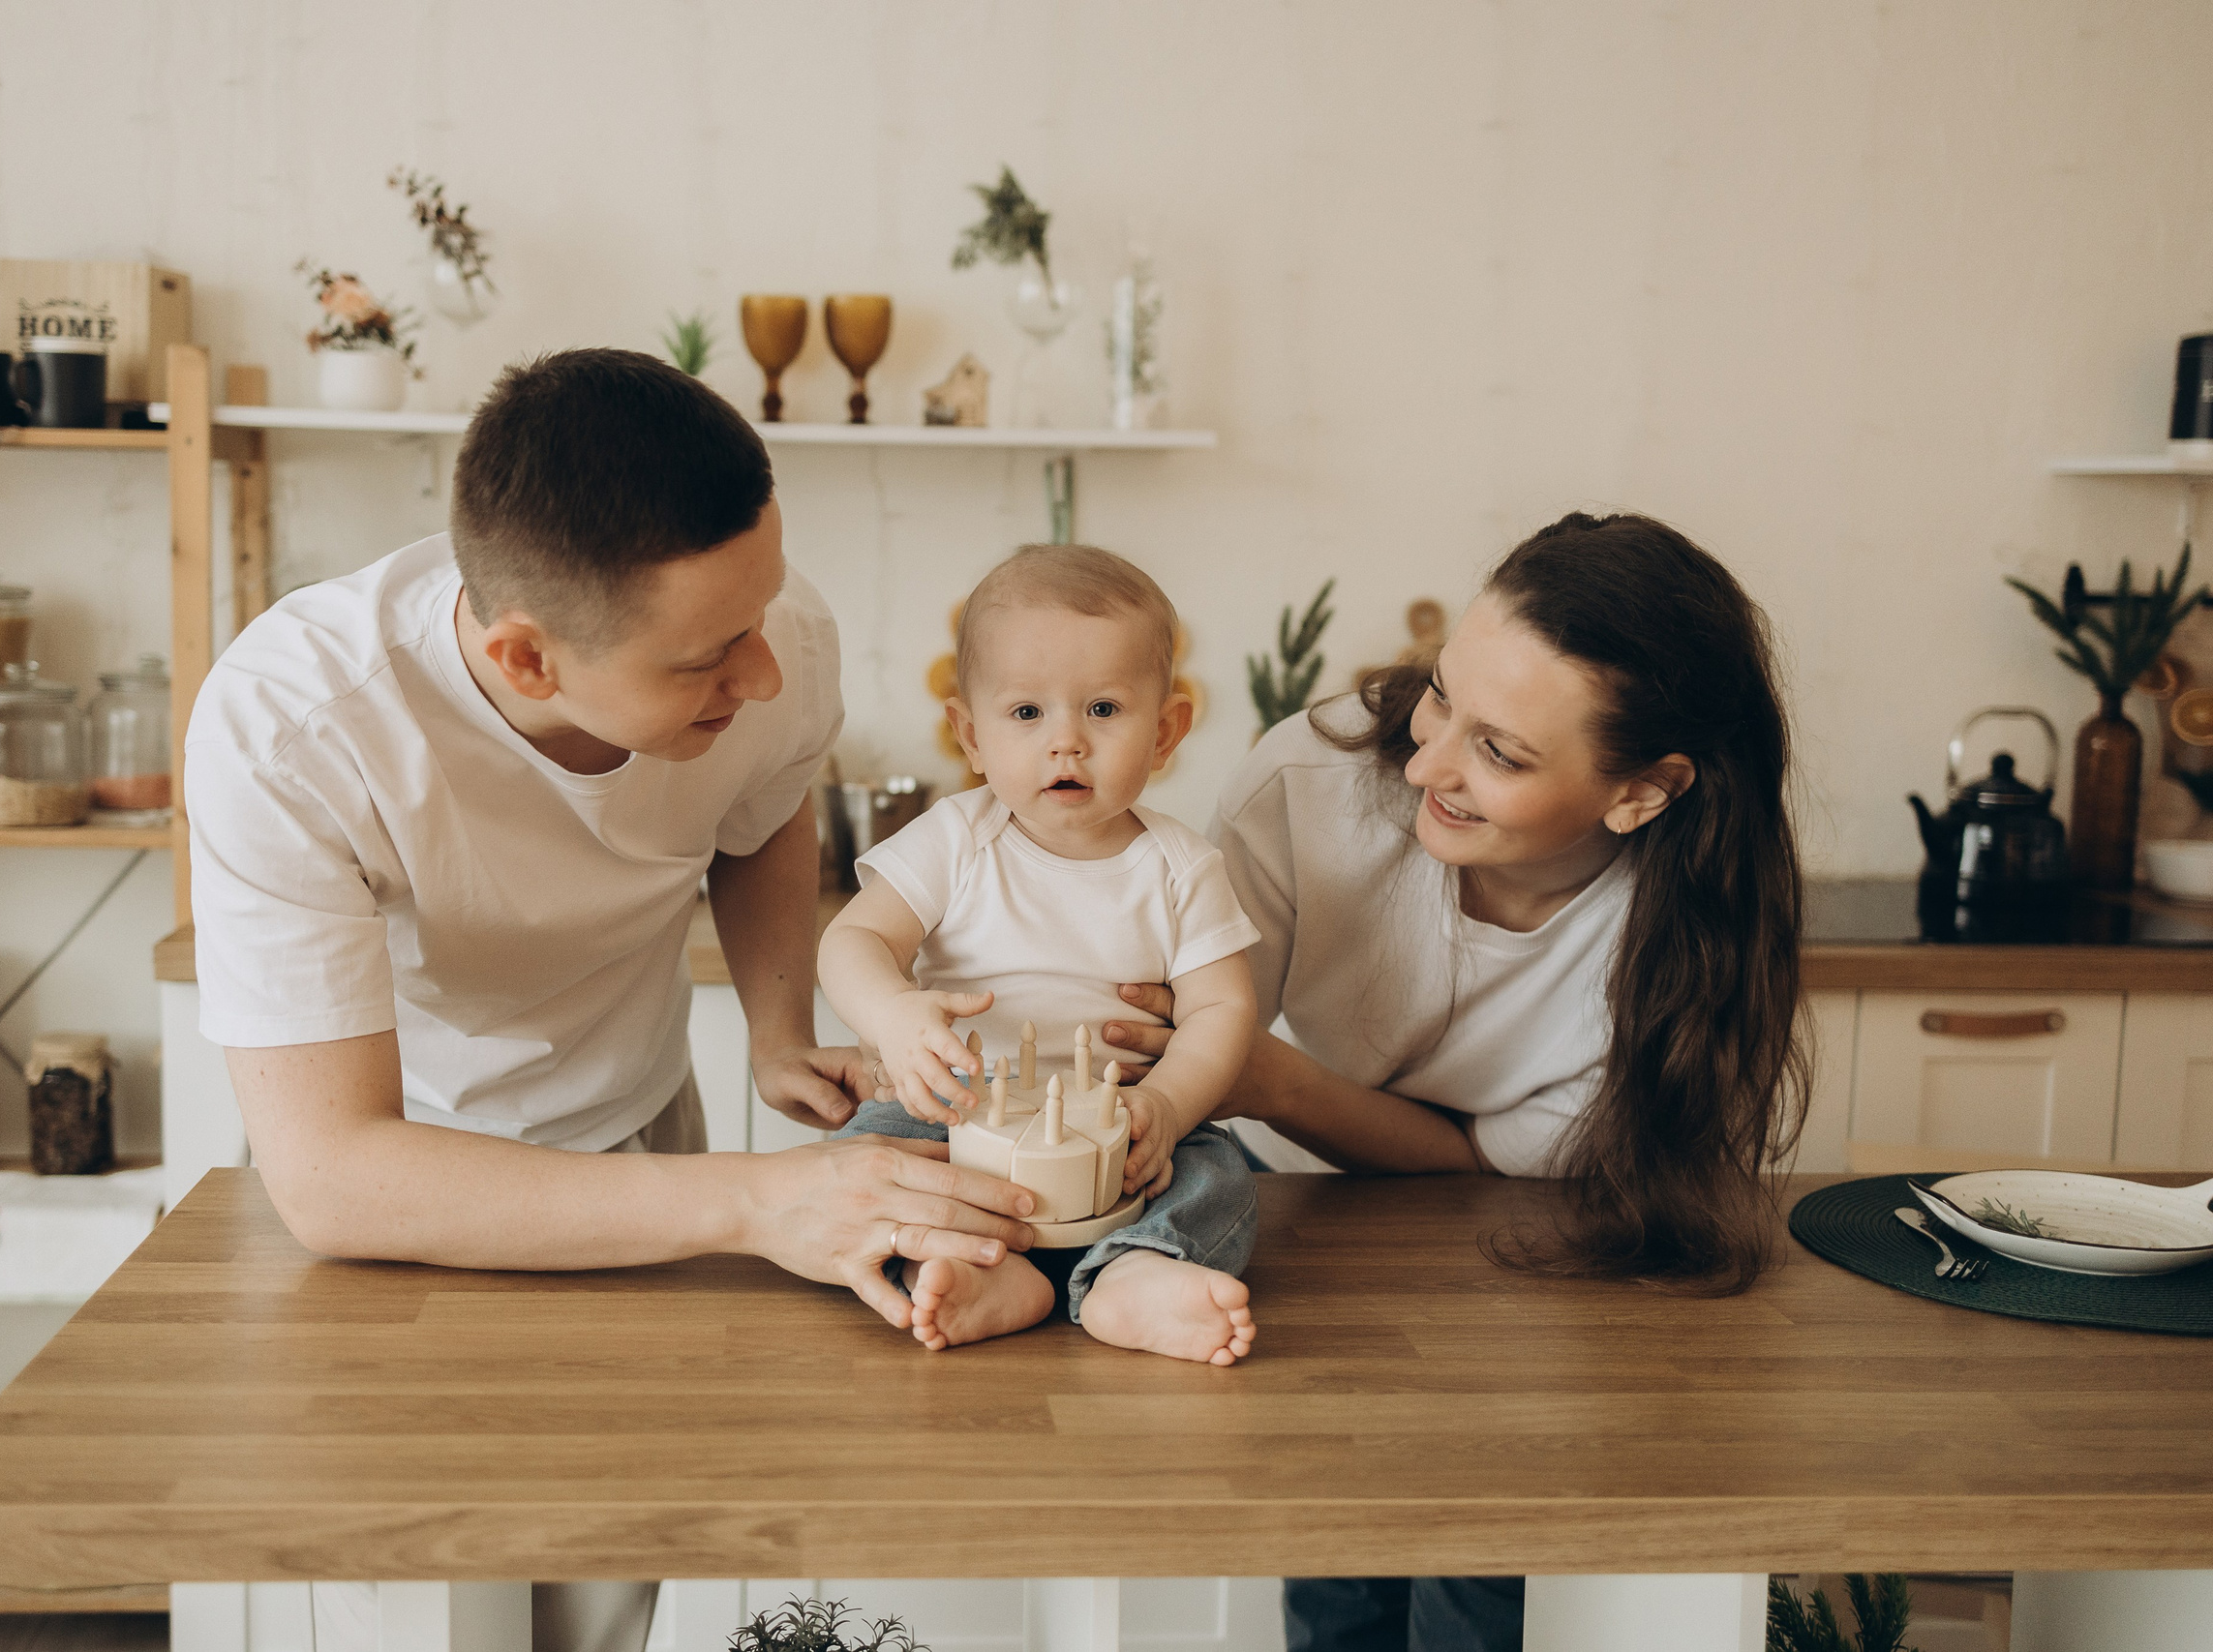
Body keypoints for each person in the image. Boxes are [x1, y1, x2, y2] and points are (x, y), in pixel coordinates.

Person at [184, 348, 1038, 1652]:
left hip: (649, 1141)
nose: (762, 673)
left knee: (619, 1595)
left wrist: (773, 1025)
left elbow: (759, 816)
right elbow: (332, 1175)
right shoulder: (292, 722)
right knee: (418, 1601)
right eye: (707, 659)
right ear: (526, 655)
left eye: (762, 618)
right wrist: (763, 1200)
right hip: (396, 1196)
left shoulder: (772, 631)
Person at [1101, 513, 1809, 1652]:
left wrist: (1273, 1081)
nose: (1428, 763)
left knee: (1480, 1586)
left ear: (1643, 792)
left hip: (1537, 1268)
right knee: (1339, 1574)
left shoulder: (1682, 945)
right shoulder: (1312, 783)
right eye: (1441, 697)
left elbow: (1505, 1163)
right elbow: (1200, 1041)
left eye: (1503, 753)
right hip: (1302, 1240)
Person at [818, 545, 1262, 1363]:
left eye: (1102, 709)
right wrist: (894, 1016)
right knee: (867, 1157)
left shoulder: (1183, 866)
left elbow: (1223, 1008)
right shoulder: (955, 838)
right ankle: (979, 1270)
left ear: (1166, 731)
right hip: (959, 1111)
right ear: (970, 734)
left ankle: (1132, 1272)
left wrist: (1166, 1104)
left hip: (1121, 1124)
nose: (1067, 743)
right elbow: (853, 939)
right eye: (1027, 714)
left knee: (1218, 1170)